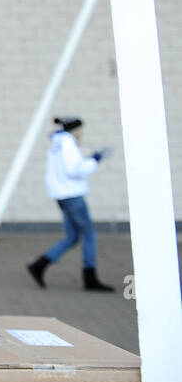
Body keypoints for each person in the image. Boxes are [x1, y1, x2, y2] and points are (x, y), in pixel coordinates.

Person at [27, 116, 114, 292]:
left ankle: (39, 265)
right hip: (72, 196)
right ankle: (90, 278)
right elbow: (76, 170)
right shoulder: (67, 144)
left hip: (63, 196)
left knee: (73, 236)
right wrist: (96, 158)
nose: (82, 134)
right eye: (80, 130)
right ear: (75, 130)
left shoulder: (58, 144)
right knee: (89, 235)